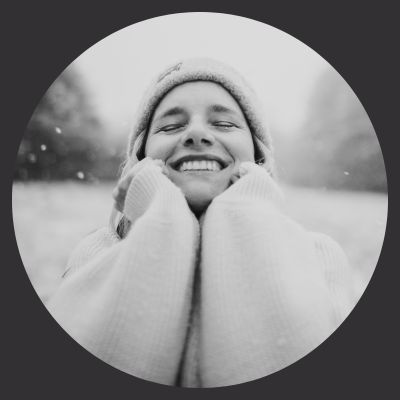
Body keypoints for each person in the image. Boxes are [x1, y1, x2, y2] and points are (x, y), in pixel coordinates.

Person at [47, 58, 358, 388]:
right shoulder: (95, 253)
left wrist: (244, 212)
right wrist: (161, 217)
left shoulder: (319, 255)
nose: (196, 133)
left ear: (258, 156)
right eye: (170, 127)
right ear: (140, 158)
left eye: (224, 123)